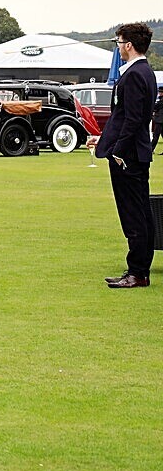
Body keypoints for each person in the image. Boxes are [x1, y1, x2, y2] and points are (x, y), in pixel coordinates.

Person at [89, 23, 156, 289]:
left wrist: (117, 151)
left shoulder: (136, 74)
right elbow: (122, 119)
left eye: (118, 42)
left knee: (134, 214)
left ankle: (138, 272)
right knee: (138, 212)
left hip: (128, 156)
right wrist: (103, 140)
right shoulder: (139, 72)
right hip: (130, 152)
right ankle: (137, 268)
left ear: (128, 44)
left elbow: (133, 119)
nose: (117, 47)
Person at [153, 84, 163, 154]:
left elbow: (156, 107)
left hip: (160, 120)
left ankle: (150, 150)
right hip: (160, 120)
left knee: (156, 136)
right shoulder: (161, 100)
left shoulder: (161, 101)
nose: (159, 93)